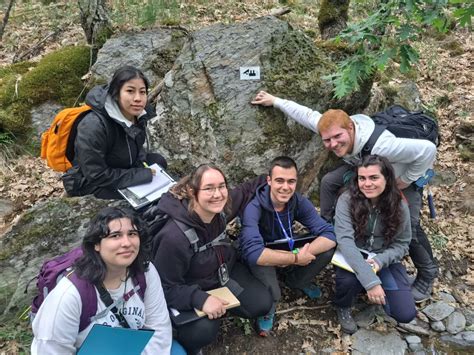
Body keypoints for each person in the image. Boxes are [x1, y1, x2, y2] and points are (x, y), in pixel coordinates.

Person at [251, 91, 438, 302]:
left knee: (410, 228)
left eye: (337, 138)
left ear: (351, 128)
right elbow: (308, 115)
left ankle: (427, 273)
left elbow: (428, 150)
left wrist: (404, 180)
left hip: (400, 174)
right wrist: (276, 100)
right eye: (327, 140)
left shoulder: (383, 145)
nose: (332, 144)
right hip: (366, 168)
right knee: (330, 181)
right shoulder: (334, 129)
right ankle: (329, 227)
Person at [152, 164, 273, 354]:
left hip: (222, 272)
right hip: (191, 287)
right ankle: (188, 337)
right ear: (193, 192)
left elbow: (245, 190)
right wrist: (200, 299)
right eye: (209, 188)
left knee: (262, 303)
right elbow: (163, 287)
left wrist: (272, 177)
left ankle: (221, 309)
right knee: (202, 333)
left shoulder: (221, 209)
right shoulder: (173, 237)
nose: (218, 194)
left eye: (221, 186)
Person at [31, 206, 174, 354]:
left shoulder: (145, 271)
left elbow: (159, 327)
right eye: (115, 236)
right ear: (96, 244)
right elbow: (50, 350)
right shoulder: (69, 295)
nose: (126, 243)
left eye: (132, 233)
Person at [240, 156, 336, 336]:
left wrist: (298, 254)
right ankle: (268, 310)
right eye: (279, 181)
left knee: (326, 250)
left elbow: (329, 234)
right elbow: (253, 253)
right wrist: (294, 258)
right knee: (273, 294)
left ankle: (297, 281)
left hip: (288, 247)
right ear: (269, 180)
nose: (285, 187)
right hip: (264, 253)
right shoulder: (254, 207)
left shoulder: (297, 201)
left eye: (291, 181)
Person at [333, 155, 417, 334]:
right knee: (346, 282)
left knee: (404, 313)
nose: (367, 184)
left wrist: (380, 261)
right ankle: (344, 306)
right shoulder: (346, 200)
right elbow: (345, 241)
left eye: (373, 178)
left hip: (383, 258)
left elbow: (402, 244)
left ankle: (376, 291)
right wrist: (370, 282)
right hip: (353, 255)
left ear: (386, 178)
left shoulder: (400, 205)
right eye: (362, 178)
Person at [62, 65, 167, 199]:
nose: (138, 98)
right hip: (92, 182)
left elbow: (136, 147)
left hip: (121, 167)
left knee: (158, 162)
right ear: (116, 94)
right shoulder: (93, 126)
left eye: (142, 92)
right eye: (130, 91)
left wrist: (141, 166)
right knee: (145, 199)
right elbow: (96, 175)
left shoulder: (139, 115)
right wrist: (140, 175)